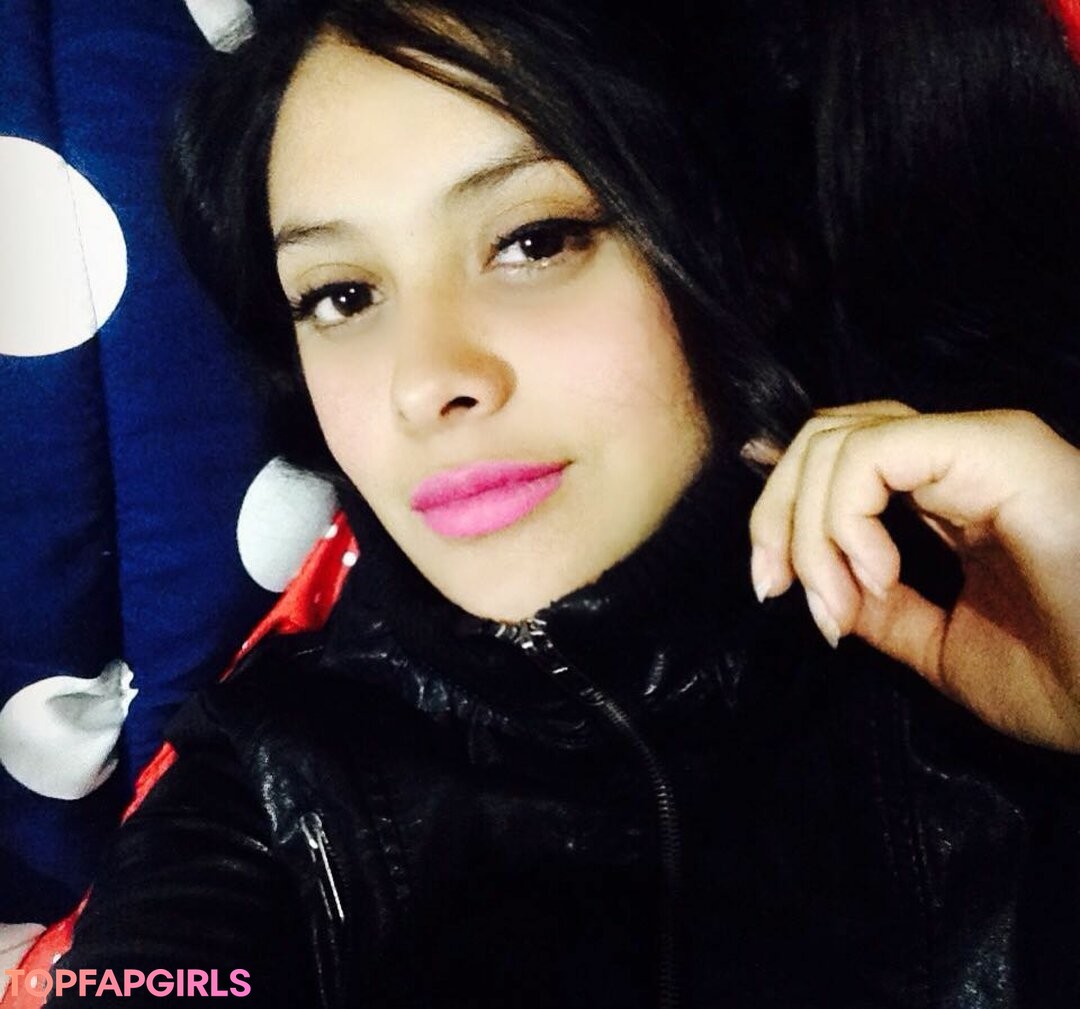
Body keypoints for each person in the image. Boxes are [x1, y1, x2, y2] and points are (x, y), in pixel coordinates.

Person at [38, 0, 1080, 1006]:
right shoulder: (259, 786)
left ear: (748, 258)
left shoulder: (1010, 641)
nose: (425, 381)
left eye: (534, 241)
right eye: (342, 296)